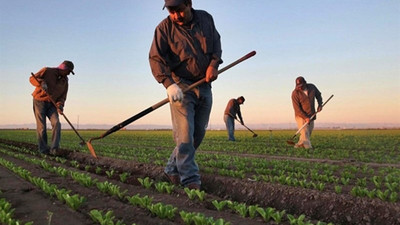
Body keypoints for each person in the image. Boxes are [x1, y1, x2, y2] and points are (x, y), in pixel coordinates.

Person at [149, 0, 222, 190]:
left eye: (179, 10)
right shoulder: (164, 29)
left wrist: (214, 65)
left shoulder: (206, 19)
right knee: (185, 135)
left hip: (204, 85)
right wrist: (169, 84)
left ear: (189, 4)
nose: (176, 16)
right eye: (171, 12)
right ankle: (190, 180)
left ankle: (171, 170)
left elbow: (216, 46)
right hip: (181, 86)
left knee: (198, 134)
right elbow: (156, 58)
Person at [29, 60, 75, 156]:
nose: (68, 74)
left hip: (52, 104)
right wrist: (41, 83)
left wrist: (60, 105)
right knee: (42, 127)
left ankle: (54, 149)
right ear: (63, 68)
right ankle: (43, 150)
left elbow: (62, 96)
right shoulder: (47, 71)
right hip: (39, 101)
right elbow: (32, 79)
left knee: (57, 123)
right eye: (68, 71)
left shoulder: (65, 81)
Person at [291, 76, 323, 149]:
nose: (300, 88)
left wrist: (320, 104)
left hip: (311, 114)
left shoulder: (312, 87)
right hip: (300, 116)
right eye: (298, 86)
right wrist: (305, 117)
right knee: (305, 133)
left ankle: (298, 145)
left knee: (307, 133)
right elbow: (297, 109)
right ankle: (308, 149)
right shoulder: (295, 93)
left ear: (305, 83)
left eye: (301, 86)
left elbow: (318, 95)